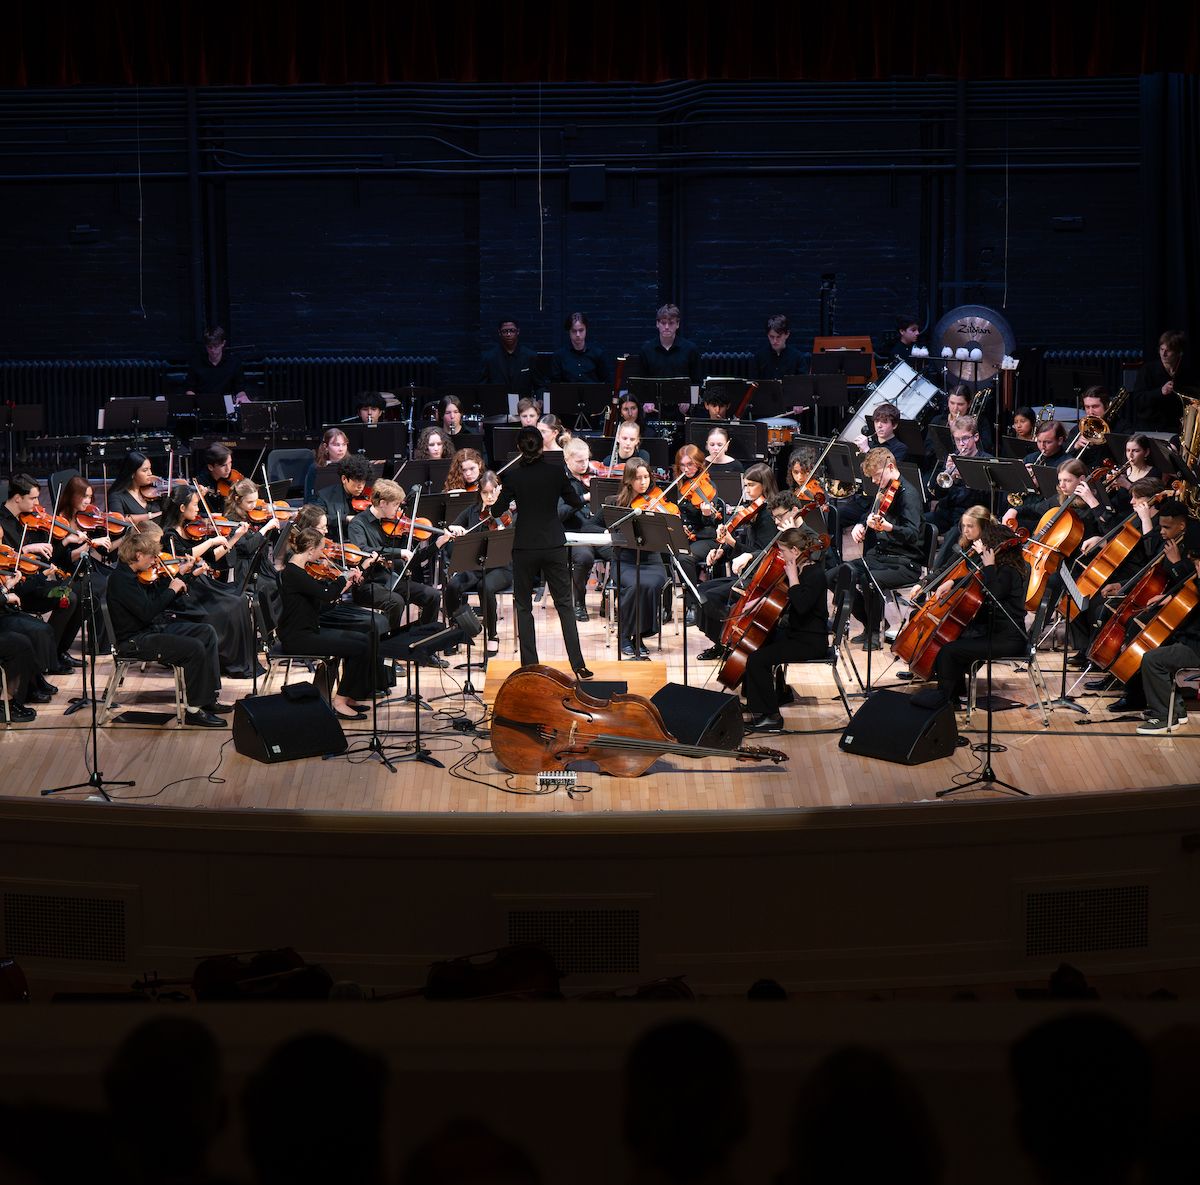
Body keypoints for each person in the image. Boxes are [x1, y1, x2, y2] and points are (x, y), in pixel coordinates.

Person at [105, 528, 226, 726]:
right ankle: (193, 711)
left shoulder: (135, 574)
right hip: (135, 641)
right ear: (138, 555)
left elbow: (157, 597)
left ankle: (207, 699)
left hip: (150, 630)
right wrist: (171, 590)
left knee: (206, 632)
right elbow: (148, 612)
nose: (155, 561)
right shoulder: (121, 580)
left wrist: (182, 576)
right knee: (194, 647)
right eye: (151, 557)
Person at [497, 426, 591, 678]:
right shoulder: (555, 473)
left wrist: (508, 498)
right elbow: (575, 502)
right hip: (553, 545)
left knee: (523, 606)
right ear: (541, 447)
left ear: (519, 448)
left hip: (525, 546)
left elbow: (496, 510)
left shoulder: (513, 477)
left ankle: (530, 666)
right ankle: (578, 665)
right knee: (565, 604)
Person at [912, 518, 1028, 710]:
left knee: (948, 651)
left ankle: (947, 699)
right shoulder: (1001, 568)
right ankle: (955, 693)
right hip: (994, 633)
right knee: (951, 641)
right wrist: (953, 582)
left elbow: (994, 592)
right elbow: (977, 580)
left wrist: (989, 565)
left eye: (987, 545)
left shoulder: (1008, 572)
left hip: (1008, 640)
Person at [158, 485, 262, 679]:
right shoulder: (169, 535)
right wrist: (211, 541)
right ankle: (226, 660)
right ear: (182, 508)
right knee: (231, 606)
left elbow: (213, 557)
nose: (198, 509)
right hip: (186, 591)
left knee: (240, 600)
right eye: (195, 504)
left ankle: (241, 661)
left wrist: (234, 537)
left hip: (201, 583)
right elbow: (184, 556)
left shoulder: (191, 529)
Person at [279, 526, 378, 719]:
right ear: (310, 550)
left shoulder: (299, 571)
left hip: (307, 630)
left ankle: (349, 696)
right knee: (360, 647)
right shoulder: (294, 574)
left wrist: (344, 584)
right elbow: (326, 594)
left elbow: (321, 598)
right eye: (320, 549)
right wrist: (342, 578)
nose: (322, 553)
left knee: (365, 640)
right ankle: (339, 702)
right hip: (298, 637)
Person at [740, 525, 831, 733]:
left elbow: (801, 606)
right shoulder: (800, 569)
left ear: (795, 551)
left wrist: (793, 578)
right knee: (756, 645)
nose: (780, 555)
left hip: (810, 641)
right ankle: (760, 702)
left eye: (782, 551)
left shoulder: (814, 574)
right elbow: (782, 599)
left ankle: (771, 717)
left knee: (757, 660)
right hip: (796, 634)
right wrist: (757, 604)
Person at [832, 446, 924, 649]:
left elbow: (912, 534)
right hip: (880, 556)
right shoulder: (885, 491)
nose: (874, 481)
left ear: (890, 467)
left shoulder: (909, 495)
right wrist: (861, 524)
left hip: (905, 562)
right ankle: (870, 623)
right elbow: (871, 515)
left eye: (876, 475)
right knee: (836, 575)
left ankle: (874, 632)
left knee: (869, 580)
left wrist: (889, 527)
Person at [697, 464, 781, 658]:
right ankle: (721, 642)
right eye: (745, 485)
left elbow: (763, 554)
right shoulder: (753, 512)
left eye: (751, 485)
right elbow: (743, 544)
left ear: (765, 485)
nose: (747, 490)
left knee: (711, 597)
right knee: (702, 591)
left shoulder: (769, 516)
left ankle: (732, 640)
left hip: (758, 579)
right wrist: (721, 553)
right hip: (746, 574)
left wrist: (732, 542)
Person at [0, 473, 82, 669]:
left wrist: (63, 542)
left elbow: (49, 557)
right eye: (33, 498)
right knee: (68, 597)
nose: (37, 503)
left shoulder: (28, 519)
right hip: (18, 587)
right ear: (17, 498)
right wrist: (25, 550)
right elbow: (5, 557)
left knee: (81, 594)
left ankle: (58, 651)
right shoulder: (1, 523)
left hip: (36, 580)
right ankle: (49, 657)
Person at [346, 479, 442, 640]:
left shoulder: (396, 524)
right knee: (396, 602)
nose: (399, 509)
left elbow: (411, 559)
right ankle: (388, 646)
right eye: (395, 504)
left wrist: (438, 543)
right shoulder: (358, 524)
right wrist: (398, 552)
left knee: (433, 596)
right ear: (382, 503)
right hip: (368, 583)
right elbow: (363, 551)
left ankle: (421, 641)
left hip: (392, 580)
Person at [437, 470, 514, 651]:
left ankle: (492, 634)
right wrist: (456, 531)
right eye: (485, 493)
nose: (489, 497)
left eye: (492, 492)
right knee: (453, 586)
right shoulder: (472, 511)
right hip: (474, 566)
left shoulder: (506, 513)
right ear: (480, 493)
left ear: (499, 489)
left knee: (485, 587)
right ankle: (456, 630)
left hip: (500, 568)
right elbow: (452, 528)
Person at [1137, 528, 1200, 734]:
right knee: (1156, 645)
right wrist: (1170, 597)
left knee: (1152, 659)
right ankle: (1176, 709)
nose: (1196, 568)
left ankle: (1164, 716)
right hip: (1191, 641)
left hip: (1196, 647)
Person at [609, 460, 670, 659]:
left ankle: (639, 635)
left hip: (651, 560)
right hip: (624, 560)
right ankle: (626, 636)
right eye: (638, 478)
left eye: (646, 477)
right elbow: (591, 524)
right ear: (628, 480)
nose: (643, 482)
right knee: (635, 585)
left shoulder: (656, 501)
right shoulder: (616, 503)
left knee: (651, 584)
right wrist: (608, 533)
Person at [560, 438, 613, 620]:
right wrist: (583, 498)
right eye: (579, 461)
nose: (585, 465)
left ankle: (608, 598)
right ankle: (579, 603)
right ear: (567, 460)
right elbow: (559, 513)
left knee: (621, 553)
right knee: (584, 558)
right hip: (575, 535)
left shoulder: (593, 478)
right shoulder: (560, 482)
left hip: (596, 531)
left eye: (586, 460)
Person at [925, 415, 994, 533]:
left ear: (976, 437)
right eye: (957, 439)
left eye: (965, 438)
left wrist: (966, 478)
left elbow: (987, 498)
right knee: (922, 522)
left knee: (953, 534)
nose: (961, 444)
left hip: (971, 515)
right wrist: (947, 474)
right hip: (948, 511)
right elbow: (938, 494)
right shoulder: (952, 458)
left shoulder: (986, 461)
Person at [1136, 329, 1188, 431]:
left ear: (1179, 353)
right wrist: (1160, 391)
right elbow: (1138, 400)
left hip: (1176, 427)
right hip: (1151, 426)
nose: (1163, 354)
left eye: (1168, 351)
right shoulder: (1148, 370)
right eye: (1161, 349)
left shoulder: (1186, 373)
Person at [638, 303, 702, 385]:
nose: (667, 327)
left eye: (671, 323)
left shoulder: (691, 350)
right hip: (654, 394)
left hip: (682, 394)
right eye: (663, 323)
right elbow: (641, 384)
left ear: (677, 324)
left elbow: (696, 383)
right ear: (657, 324)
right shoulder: (646, 350)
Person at [185, 326, 249, 404]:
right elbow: (190, 390)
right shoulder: (196, 363)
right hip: (202, 404)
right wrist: (194, 402)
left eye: (216, 346)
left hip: (227, 403)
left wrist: (243, 397)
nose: (213, 350)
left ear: (223, 343)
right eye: (209, 347)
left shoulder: (234, 363)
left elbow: (240, 390)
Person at [316, 453, 374, 538]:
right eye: (357, 481)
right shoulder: (325, 495)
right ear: (344, 479)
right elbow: (318, 518)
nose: (361, 486)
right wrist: (346, 518)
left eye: (363, 482)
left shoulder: (369, 496)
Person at [480, 317, 538, 395]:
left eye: (512, 330)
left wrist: (539, 399)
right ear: (499, 333)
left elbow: (539, 385)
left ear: (518, 332)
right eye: (505, 331)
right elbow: (482, 386)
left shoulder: (530, 356)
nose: (508, 334)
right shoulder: (489, 357)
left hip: (523, 401)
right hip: (498, 400)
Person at [107, 450, 165, 525]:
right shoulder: (116, 496)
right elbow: (118, 521)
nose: (150, 473)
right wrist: (153, 516)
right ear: (132, 473)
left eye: (150, 469)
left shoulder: (155, 491)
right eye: (145, 470)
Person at [551, 312, 609, 384]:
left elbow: (606, 383)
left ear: (586, 330)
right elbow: (555, 385)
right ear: (569, 332)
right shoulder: (559, 356)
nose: (578, 335)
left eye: (581, 330)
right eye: (574, 331)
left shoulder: (598, 354)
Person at [303, 428, 349, 503]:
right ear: (326, 446)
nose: (341, 449)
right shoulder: (315, 468)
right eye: (336, 445)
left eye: (344, 444)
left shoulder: (351, 466)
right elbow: (309, 496)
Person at [755, 313, 805, 379]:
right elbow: (753, 382)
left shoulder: (797, 357)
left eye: (778, 337)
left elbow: (803, 383)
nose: (774, 341)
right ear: (767, 335)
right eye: (771, 337)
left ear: (787, 334)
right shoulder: (759, 356)